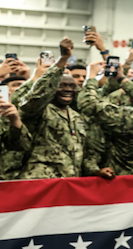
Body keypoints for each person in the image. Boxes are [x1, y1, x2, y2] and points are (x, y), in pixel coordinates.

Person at [19, 38, 112, 180]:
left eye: (71, 86)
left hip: (69, 183)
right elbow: (37, 95)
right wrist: (63, 59)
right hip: (41, 182)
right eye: (62, 86)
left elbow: (82, 154)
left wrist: (96, 171)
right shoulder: (38, 110)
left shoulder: (77, 117)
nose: (67, 90)